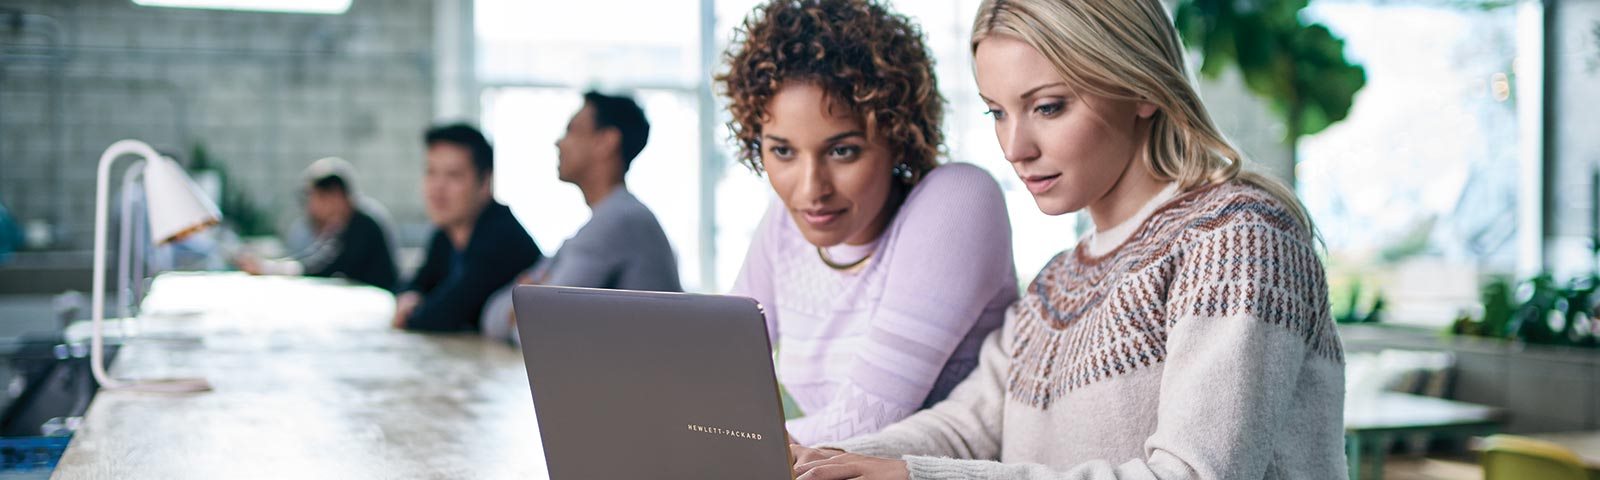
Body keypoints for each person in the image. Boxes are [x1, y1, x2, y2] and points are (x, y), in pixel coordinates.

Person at [789, 1, 1346, 478]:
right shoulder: (1058, 281)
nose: (1014, 146)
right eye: (997, 112)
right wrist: (820, 460)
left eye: (1048, 107)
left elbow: (1192, 473)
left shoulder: (1238, 236)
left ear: (1140, 86)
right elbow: (969, 427)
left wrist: (916, 475)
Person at [718, 0, 1019, 446]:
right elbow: (714, 380)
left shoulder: (957, 201)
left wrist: (708, 438)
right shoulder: (784, 226)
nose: (809, 190)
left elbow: (860, 426)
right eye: (782, 151)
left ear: (898, 136)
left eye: (842, 151)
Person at [479, 91, 683, 342]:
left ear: (606, 142)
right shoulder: (609, 219)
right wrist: (526, 302)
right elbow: (492, 317)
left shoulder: (620, 221)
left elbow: (538, 329)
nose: (559, 142)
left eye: (571, 130)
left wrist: (531, 294)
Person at [395, 123, 542, 332]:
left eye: (453, 175)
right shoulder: (445, 234)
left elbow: (443, 315)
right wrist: (409, 297)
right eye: (431, 172)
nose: (437, 187)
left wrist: (410, 312)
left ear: (484, 183)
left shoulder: (501, 236)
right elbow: (410, 283)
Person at [236, 158, 399, 291]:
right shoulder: (347, 222)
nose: (312, 207)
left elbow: (326, 267)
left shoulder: (363, 224)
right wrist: (271, 267)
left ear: (335, 195)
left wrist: (270, 269)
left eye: (316, 198)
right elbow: (316, 259)